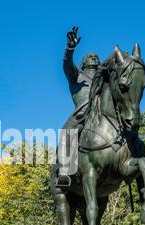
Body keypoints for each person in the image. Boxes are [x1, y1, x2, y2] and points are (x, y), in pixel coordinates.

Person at [56, 26, 100, 187]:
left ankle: (142, 183)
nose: (93, 58)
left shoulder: (105, 78)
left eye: (96, 56)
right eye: (90, 56)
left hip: (105, 115)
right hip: (82, 113)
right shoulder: (77, 75)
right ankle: (64, 173)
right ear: (83, 62)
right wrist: (70, 49)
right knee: (66, 133)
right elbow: (67, 64)